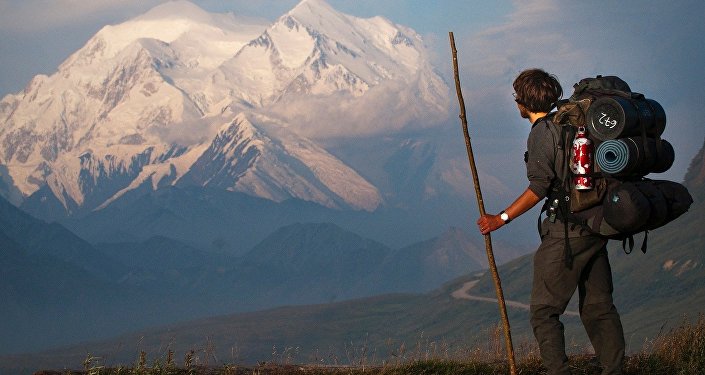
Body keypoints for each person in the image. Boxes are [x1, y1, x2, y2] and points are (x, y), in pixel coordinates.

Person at [476, 68, 625, 375]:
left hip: (567, 231)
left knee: (544, 311)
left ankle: (557, 371)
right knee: (598, 305)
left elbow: (538, 188)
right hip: (596, 223)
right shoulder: (576, 122)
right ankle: (614, 368)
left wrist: (500, 218)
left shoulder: (543, 132)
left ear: (521, 103)